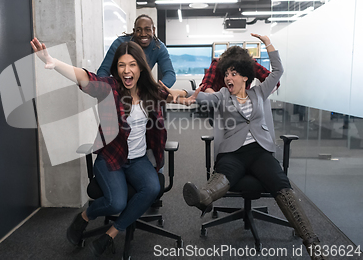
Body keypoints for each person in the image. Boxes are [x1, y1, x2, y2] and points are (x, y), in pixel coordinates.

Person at [170, 33, 327, 260]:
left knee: (281, 183)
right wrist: (184, 96)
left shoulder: (259, 92)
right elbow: (203, 98)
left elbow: (277, 72)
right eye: (226, 74)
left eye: (233, 73)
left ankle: (312, 242)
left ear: (245, 76)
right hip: (232, 151)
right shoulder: (223, 95)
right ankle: (202, 197)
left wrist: (268, 44)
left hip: (259, 150)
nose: (228, 78)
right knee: (224, 174)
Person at [30, 38, 185, 257]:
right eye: (122, 65)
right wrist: (53, 62)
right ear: (116, 69)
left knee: (152, 188)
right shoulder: (109, 88)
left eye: (132, 64)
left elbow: (174, 94)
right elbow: (86, 78)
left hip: (139, 160)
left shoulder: (150, 92)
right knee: (116, 203)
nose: (127, 70)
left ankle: (109, 235)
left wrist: (185, 96)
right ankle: (85, 216)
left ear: (141, 67)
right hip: (112, 158)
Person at [97, 14, 176, 87]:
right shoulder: (119, 43)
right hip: (120, 87)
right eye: (138, 30)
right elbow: (103, 71)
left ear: (153, 30)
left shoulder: (158, 47)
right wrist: (109, 89)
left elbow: (170, 74)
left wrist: (158, 90)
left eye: (147, 29)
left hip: (141, 89)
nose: (143, 34)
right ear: (134, 31)